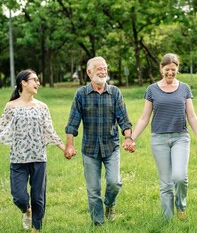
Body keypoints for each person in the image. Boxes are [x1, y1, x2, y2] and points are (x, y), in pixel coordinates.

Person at [125, 53, 197, 219]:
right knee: (166, 183)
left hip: (181, 137)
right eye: (167, 69)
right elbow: (145, 118)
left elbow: (192, 116)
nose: (170, 73)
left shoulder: (185, 88)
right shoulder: (152, 90)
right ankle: (168, 219)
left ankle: (181, 205)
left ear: (177, 69)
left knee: (180, 177)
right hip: (159, 139)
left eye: (173, 69)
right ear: (161, 68)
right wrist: (131, 138)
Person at [65, 56, 133, 226]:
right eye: (99, 69)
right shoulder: (81, 94)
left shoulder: (115, 92)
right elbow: (73, 121)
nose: (103, 71)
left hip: (111, 146)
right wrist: (69, 145)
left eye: (104, 68)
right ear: (89, 73)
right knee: (93, 190)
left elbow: (123, 119)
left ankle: (109, 204)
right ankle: (98, 223)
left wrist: (129, 138)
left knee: (114, 182)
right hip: (90, 149)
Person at [0, 69, 69, 233]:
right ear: (23, 83)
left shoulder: (42, 107)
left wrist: (64, 148)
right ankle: (26, 211)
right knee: (19, 197)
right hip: (18, 159)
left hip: (38, 158)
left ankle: (36, 228)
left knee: (38, 198)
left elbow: (49, 130)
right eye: (34, 80)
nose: (38, 83)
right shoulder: (11, 106)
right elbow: (1, 128)